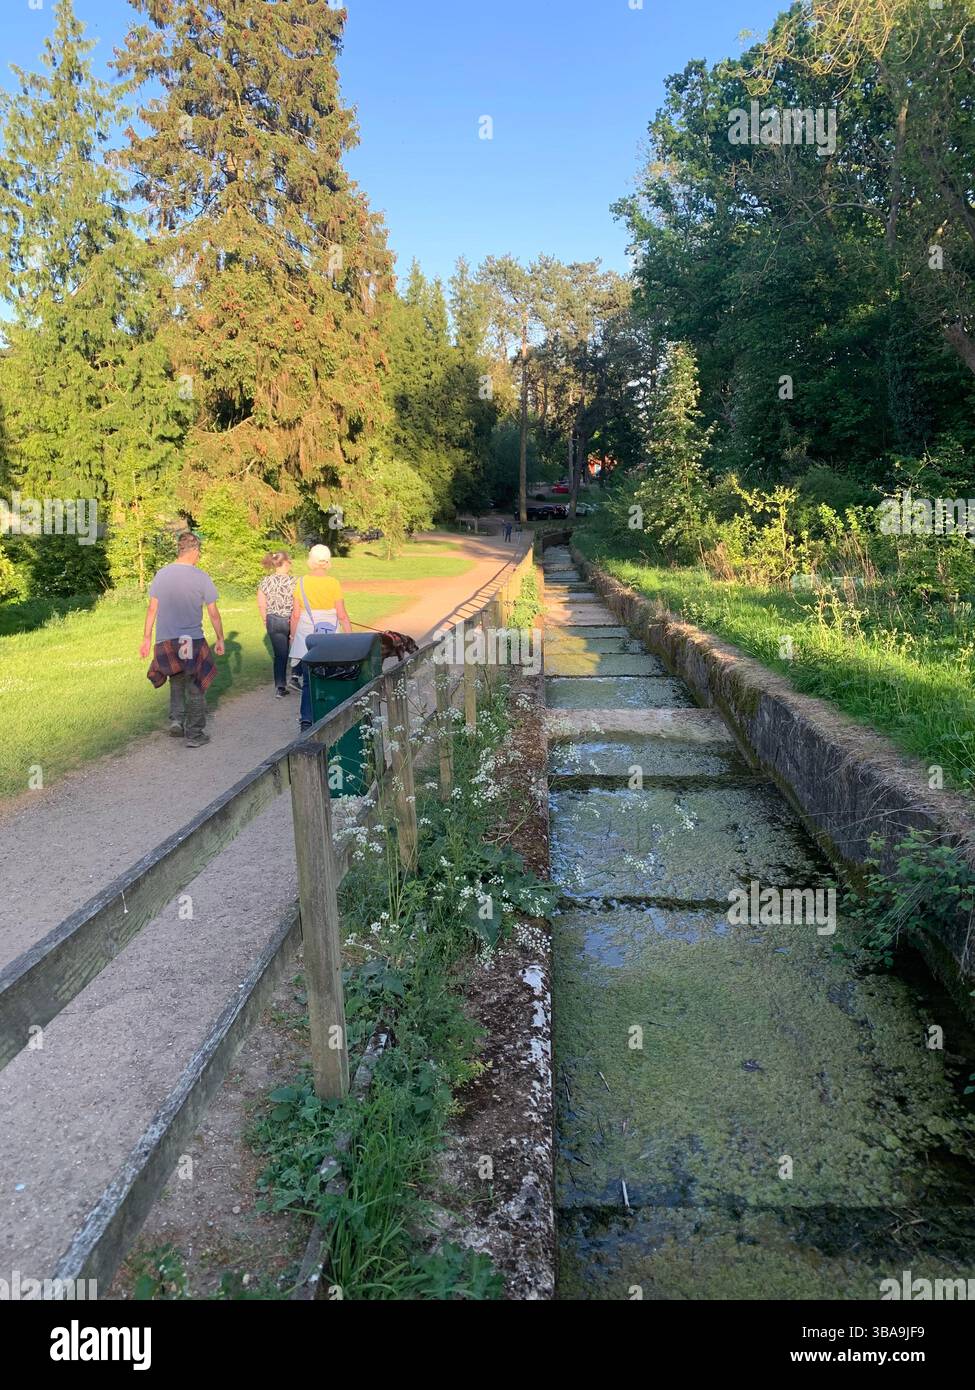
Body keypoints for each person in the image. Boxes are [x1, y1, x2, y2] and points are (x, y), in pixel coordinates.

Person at [141, 532, 225, 748]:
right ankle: (195, 734)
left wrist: (146, 639)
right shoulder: (201, 577)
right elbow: (213, 613)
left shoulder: (162, 575)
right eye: (199, 553)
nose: (199, 557)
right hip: (190, 640)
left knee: (176, 679)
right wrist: (220, 638)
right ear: (194, 551)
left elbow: (152, 609)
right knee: (195, 685)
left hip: (167, 640)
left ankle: (177, 720)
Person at [289, 544, 352, 732]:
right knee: (331, 676)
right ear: (327, 562)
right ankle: (330, 715)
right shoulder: (333, 583)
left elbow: (295, 615)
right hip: (330, 637)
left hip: (306, 637)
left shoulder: (300, 583)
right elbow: (341, 614)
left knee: (308, 680)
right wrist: (349, 637)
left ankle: (306, 720)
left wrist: (293, 637)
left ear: (311, 561)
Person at [256, 551, 296, 698]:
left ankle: (280, 686)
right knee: (296, 649)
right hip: (290, 619)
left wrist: (265, 619)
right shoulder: (294, 581)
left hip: (273, 619)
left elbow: (261, 604)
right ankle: (296, 678)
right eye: (289, 561)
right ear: (285, 563)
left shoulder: (266, 581)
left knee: (280, 655)